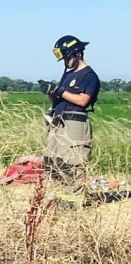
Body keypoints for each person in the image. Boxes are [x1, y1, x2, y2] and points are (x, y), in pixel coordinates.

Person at [44, 35, 100, 180]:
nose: (65, 62)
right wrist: (50, 91)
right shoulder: (68, 75)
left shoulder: (89, 76)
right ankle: (56, 194)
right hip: (58, 121)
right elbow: (57, 99)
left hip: (75, 123)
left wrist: (61, 91)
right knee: (53, 160)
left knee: (73, 163)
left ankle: (73, 199)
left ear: (78, 54)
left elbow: (83, 101)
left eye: (67, 58)